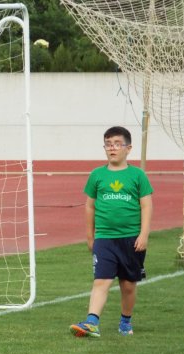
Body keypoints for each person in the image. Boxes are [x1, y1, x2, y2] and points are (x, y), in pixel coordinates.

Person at [70, 126, 153, 338]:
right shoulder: (97, 175)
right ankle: (92, 322)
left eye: (117, 144)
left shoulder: (138, 175)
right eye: (108, 144)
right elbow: (90, 206)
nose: (112, 148)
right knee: (101, 280)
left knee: (128, 285)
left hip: (131, 239)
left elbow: (146, 206)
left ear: (128, 148)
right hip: (105, 238)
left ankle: (125, 321)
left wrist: (143, 235)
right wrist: (91, 236)